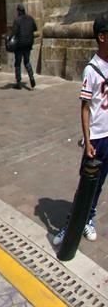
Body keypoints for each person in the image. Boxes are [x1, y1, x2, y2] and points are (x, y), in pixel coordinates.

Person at [53, 13, 108, 246]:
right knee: (86, 184)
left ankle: (89, 218)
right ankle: (71, 224)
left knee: (100, 183)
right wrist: (87, 142)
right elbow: (85, 108)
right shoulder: (92, 70)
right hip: (96, 138)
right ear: (102, 37)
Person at [11, 4, 38, 90]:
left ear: (18, 11)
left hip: (19, 45)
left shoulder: (17, 20)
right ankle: (31, 78)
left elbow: (14, 32)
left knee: (18, 63)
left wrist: (9, 38)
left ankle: (18, 82)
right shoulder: (30, 18)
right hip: (28, 44)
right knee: (27, 62)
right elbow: (35, 28)